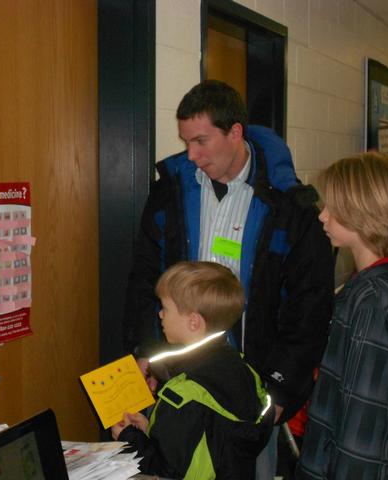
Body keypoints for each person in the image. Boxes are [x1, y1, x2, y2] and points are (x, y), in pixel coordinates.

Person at [123, 80, 334, 478]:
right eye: (186, 141)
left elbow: (309, 307)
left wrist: (282, 388)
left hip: (250, 390)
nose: (192, 154)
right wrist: (146, 350)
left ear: (235, 132)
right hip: (180, 381)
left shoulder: (290, 207)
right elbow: (144, 278)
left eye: (202, 141)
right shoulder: (170, 192)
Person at [295, 152, 388, 479]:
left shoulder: (373, 303)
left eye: (334, 207)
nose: (323, 216)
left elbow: (364, 432)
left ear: (367, 215)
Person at [112, 261, 274, 479]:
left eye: (166, 308)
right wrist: (152, 428)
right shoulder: (242, 368)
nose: (160, 315)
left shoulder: (185, 394)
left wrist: (129, 437)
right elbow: (207, 440)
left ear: (193, 322)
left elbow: (167, 469)